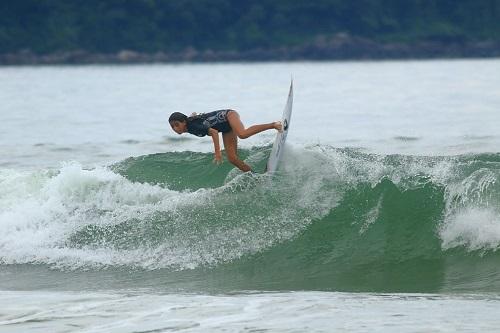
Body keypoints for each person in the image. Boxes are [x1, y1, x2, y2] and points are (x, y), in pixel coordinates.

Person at [169, 109, 282, 172]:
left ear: (184, 122)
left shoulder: (193, 127)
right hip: (226, 128)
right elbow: (194, 116)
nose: (175, 128)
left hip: (228, 116)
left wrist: (217, 153)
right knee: (232, 159)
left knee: (242, 134)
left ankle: (274, 124)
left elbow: (213, 132)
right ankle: (255, 176)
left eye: (177, 125)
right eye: (172, 126)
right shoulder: (189, 126)